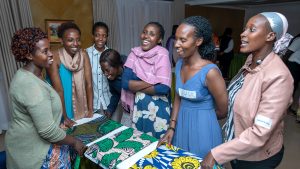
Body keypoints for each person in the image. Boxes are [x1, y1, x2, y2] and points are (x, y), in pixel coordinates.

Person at [201, 12, 294, 169]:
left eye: (252, 30)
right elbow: (240, 98)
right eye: (244, 29)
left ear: (270, 36)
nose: (243, 34)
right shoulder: (252, 61)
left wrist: (216, 153)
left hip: (257, 159)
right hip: (237, 148)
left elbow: (259, 133)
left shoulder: (279, 76)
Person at [5, 27, 86, 169]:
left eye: (49, 49)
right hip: (36, 153)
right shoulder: (31, 85)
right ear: (30, 56)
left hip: (26, 142)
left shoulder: (29, 74)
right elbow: (47, 131)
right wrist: (74, 142)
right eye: (45, 51)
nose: (50, 55)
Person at [158, 16, 228, 158]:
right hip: (181, 125)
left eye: (183, 40)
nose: (176, 44)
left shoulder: (210, 72)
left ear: (198, 41)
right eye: (176, 39)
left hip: (203, 130)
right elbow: (178, 98)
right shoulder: (179, 65)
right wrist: (172, 127)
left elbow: (223, 110)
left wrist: (202, 115)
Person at [122, 22, 172, 139]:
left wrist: (135, 83)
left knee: (157, 146)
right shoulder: (134, 53)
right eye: (144, 32)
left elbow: (163, 88)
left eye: (152, 34)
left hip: (158, 110)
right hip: (139, 108)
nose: (146, 36)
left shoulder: (162, 54)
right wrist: (153, 81)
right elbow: (125, 83)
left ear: (159, 39)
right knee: (139, 143)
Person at [47, 22, 93, 127]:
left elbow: (89, 84)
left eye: (78, 39)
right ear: (61, 41)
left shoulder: (84, 54)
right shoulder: (54, 57)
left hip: (81, 106)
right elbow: (58, 90)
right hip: (61, 106)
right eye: (70, 40)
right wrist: (65, 117)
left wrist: (90, 109)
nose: (75, 43)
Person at [86, 22, 117, 121]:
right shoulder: (85, 54)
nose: (100, 39)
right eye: (97, 35)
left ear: (107, 37)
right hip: (92, 103)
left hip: (109, 102)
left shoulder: (112, 55)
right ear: (93, 36)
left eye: (104, 36)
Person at [99, 49, 127, 124]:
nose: (105, 74)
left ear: (116, 65)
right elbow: (116, 94)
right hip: (127, 109)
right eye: (103, 70)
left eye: (107, 70)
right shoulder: (111, 77)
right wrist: (110, 110)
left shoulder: (130, 69)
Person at [284, 34, 300, 120]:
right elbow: (288, 52)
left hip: (297, 66)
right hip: (293, 65)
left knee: (294, 87)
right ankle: (286, 109)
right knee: (291, 87)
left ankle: (287, 108)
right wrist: (282, 65)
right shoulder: (299, 40)